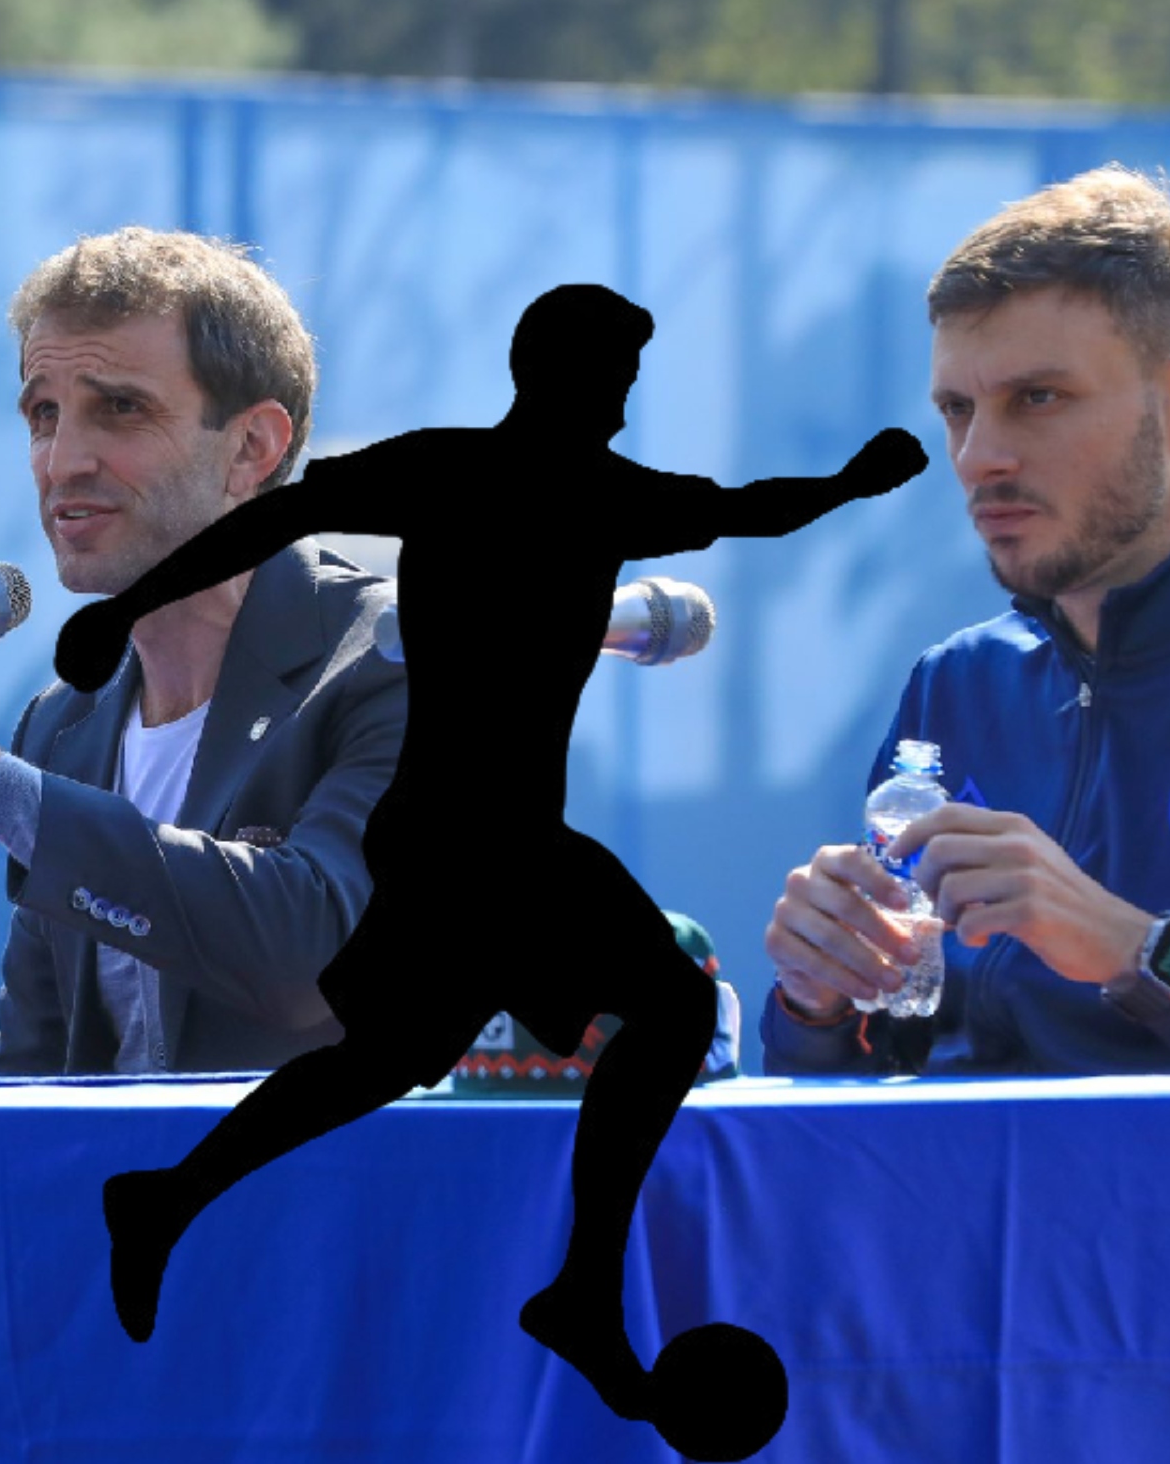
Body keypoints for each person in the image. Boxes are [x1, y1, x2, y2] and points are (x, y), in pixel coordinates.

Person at [63, 283, 923, 1461]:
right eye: (612, 372)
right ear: (558, 373)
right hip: (476, 842)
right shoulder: (486, 474)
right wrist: (128, 612)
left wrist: (843, 485)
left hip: (483, 837)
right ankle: (576, 1289)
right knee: (661, 1005)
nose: (623, 397)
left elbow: (744, 510)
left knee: (394, 1057)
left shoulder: (554, 484)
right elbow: (274, 521)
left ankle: (167, 1199)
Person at [761, 164, 1170, 1077]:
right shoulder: (956, 686)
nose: (980, 456)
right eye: (957, 409)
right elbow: (875, 1082)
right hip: (963, 1222)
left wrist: (1140, 954)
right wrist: (815, 1001)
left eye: (1038, 398)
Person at [0, 226, 404, 1075]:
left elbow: (317, 959)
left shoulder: (393, 661)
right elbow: (32, 1068)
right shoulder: (67, 724)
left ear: (253, 448)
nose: (63, 461)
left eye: (121, 409)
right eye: (43, 415)